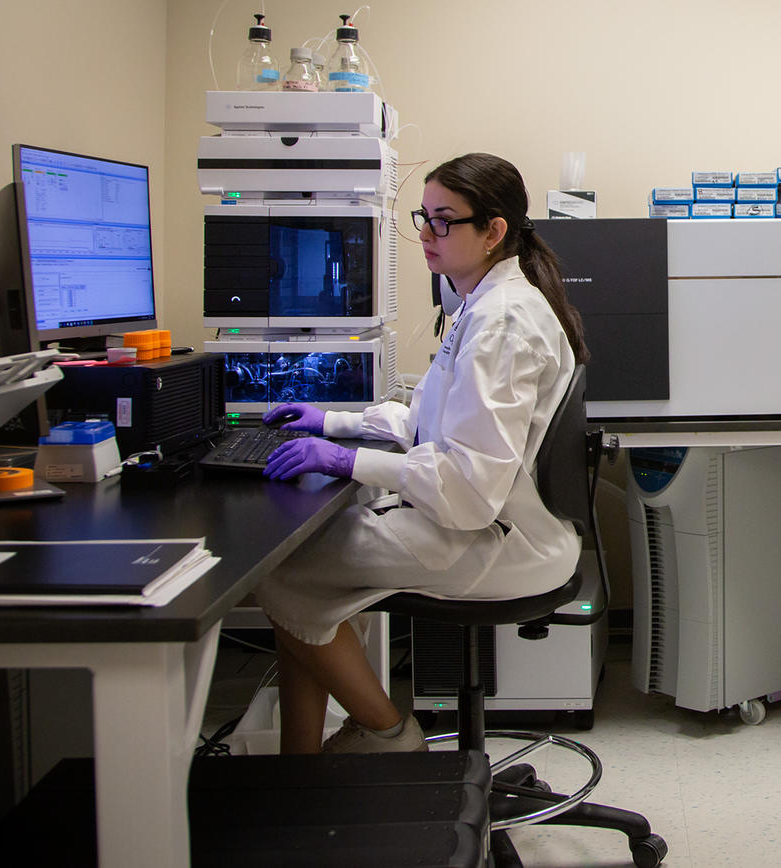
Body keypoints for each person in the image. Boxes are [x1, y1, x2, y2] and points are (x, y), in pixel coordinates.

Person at [251, 152, 589, 754]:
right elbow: (434, 422)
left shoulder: (502, 323)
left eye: (444, 221)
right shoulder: (480, 304)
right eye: (424, 217)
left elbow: (467, 486)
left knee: (281, 576)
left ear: (493, 231)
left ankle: (389, 733)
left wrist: (346, 460)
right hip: (483, 520)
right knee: (314, 579)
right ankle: (297, 773)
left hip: (492, 537)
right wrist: (333, 421)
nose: (427, 235)